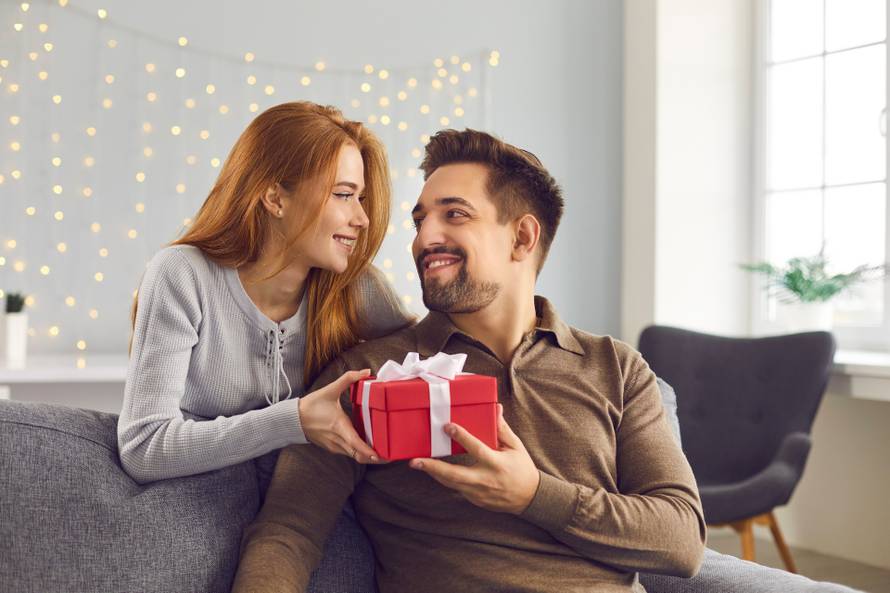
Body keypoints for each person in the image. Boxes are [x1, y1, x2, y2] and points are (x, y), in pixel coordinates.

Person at [232, 128, 707, 593]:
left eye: (454, 215)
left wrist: (532, 495)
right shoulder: (368, 373)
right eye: (420, 221)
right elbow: (287, 533)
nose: (424, 238)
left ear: (522, 237)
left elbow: (682, 540)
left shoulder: (616, 369)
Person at [118, 102, 413, 485]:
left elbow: (430, 355)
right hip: (196, 502)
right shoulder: (182, 275)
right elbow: (144, 447)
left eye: (361, 198)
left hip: (300, 504)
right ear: (275, 198)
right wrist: (294, 421)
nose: (362, 218)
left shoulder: (357, 287)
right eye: (343, 195)